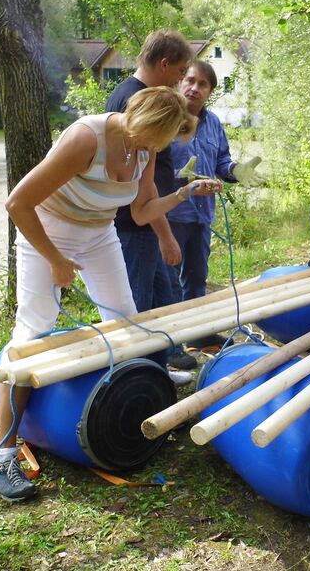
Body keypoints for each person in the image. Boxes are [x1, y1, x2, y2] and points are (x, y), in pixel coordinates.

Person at [0, 87, 222, 502]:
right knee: (32, 333)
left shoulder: (146, 147)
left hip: (100, 235)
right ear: (135, 118)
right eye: (146, 141)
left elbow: (141, 211)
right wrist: (56, 259)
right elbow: (18, 203)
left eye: (155, 145)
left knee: (125, 322)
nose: (147, 150)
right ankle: (5, 454)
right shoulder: (86, 138)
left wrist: (185, 194)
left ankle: (129, 408)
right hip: (47, 233)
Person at [105, 29, 198, 374]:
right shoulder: (136, 101)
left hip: (148, 223)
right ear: (163, 64)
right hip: (136, 228)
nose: (179, 81)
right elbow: (139, 193)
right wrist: (165, 235)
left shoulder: (141, 95)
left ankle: (157, 377)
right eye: (179, 72)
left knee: (162, 305)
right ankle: (133, 380)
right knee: (138, 311)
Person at [167, 60, 263, 350]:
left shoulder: (214, 124)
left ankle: (197, 334)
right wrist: (182, 182)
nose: (195, 88)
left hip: (201, 216)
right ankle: (169, 346)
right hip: (169, 213)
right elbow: (151, 171)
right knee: (168, 281)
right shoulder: (166, 117)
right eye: (191, 81)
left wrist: (236, 170)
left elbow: (221, 161)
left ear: (210, 91)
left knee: (196, 278)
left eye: (202, 84)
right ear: (181, 81)